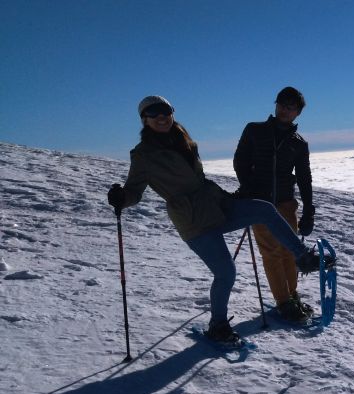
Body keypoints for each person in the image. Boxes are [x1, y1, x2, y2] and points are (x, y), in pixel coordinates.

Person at [107, 95, 323, 342]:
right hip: (192, 219)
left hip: (216, 204)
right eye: (153, 113)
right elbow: (134, 191)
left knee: (263, 209)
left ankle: (303, 257)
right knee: (226, 273)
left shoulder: (183, 139)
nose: (161, 117)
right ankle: (218, 325)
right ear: (144, 120)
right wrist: (121, 198)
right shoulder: (143, 155)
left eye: (165, 111)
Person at [233, 87, 316, 322]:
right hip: (260, 203)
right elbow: (240, 161)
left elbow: (304, 177)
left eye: (291, 107)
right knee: (272, 252)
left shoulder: (299, 143)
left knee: (290, 251)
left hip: (286, 203)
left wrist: (309, 210)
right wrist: (249, 189)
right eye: (282, 104)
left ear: (298, 113)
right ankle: (283, 302)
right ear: (276, 104)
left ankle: (291, 295)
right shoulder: (255, 130)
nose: (285, 110)